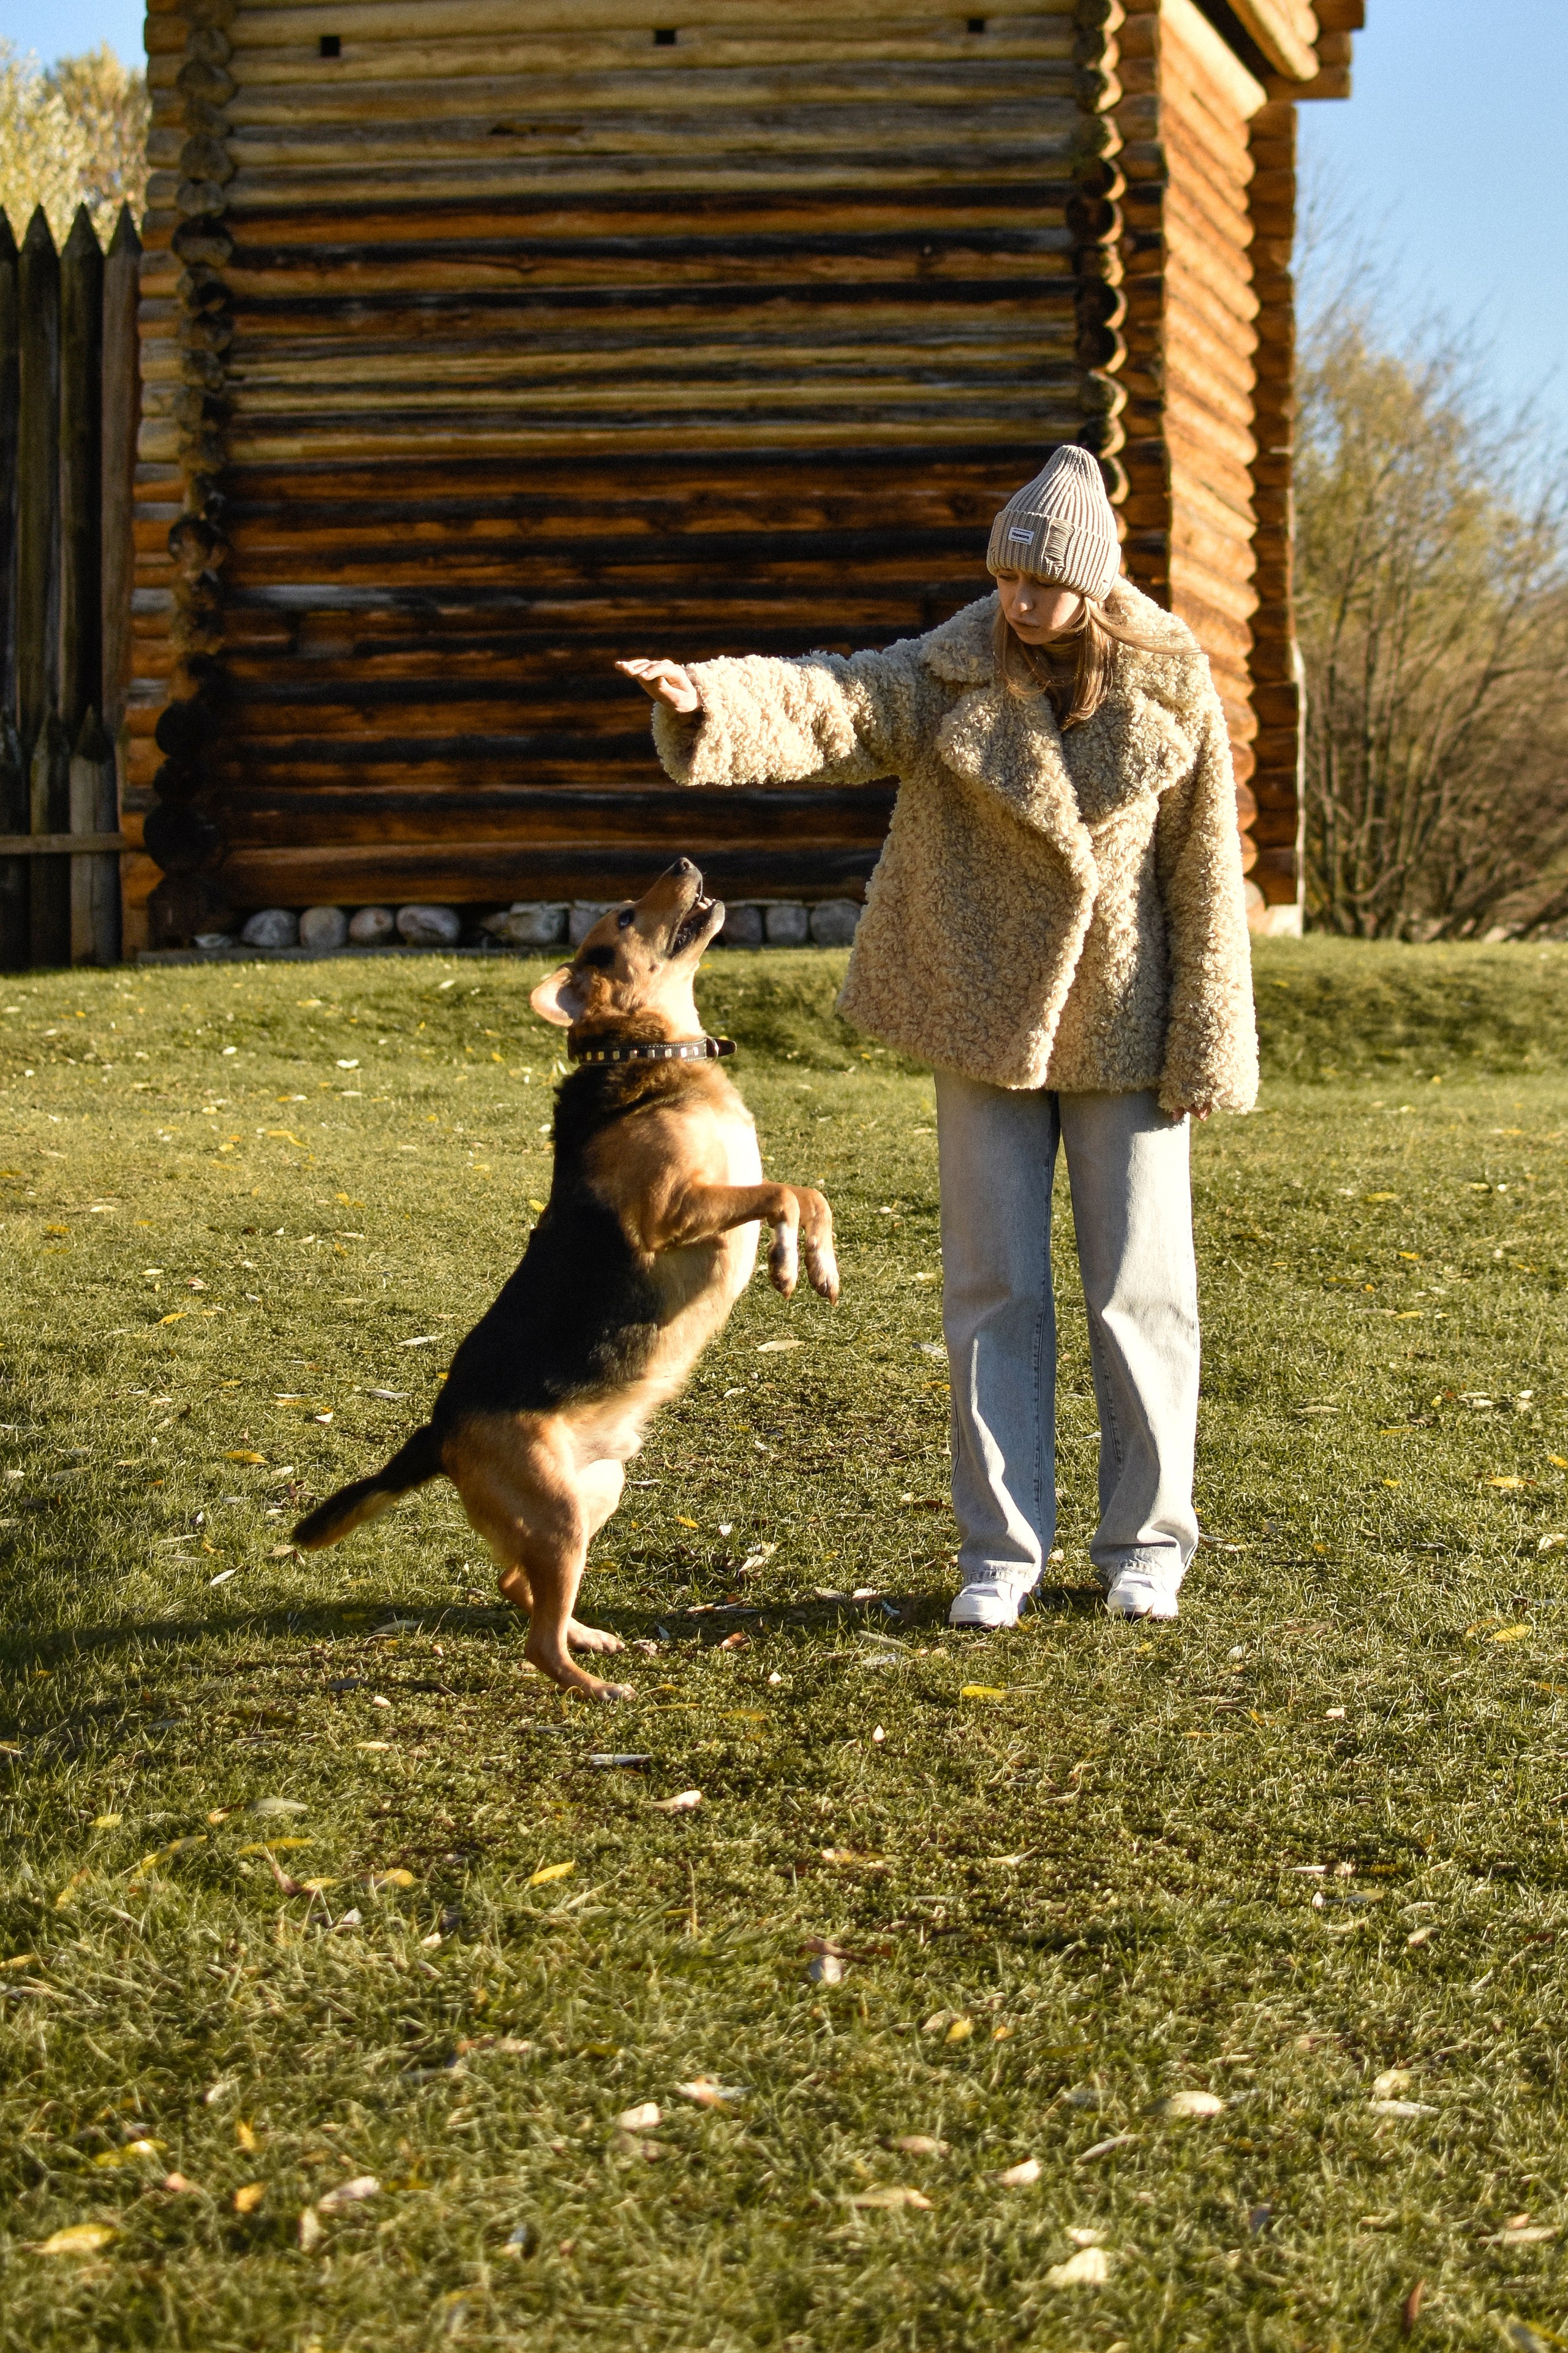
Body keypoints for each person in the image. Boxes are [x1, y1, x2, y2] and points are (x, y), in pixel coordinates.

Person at [617, 445, 1257, 1627]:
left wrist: (1209, 1042)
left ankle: (1147, 1543)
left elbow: (1207, 876)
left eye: (1040, 583)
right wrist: (711, 696)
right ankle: (1000, 1552)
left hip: (1126, 1016)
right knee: (990, 1286)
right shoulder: (952, 669)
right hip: (981, 1013)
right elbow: (838, 700)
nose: (1017, 602)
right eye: (1004, 577)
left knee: (1142, 1289)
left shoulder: (1174, 681)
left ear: (1093, 581)